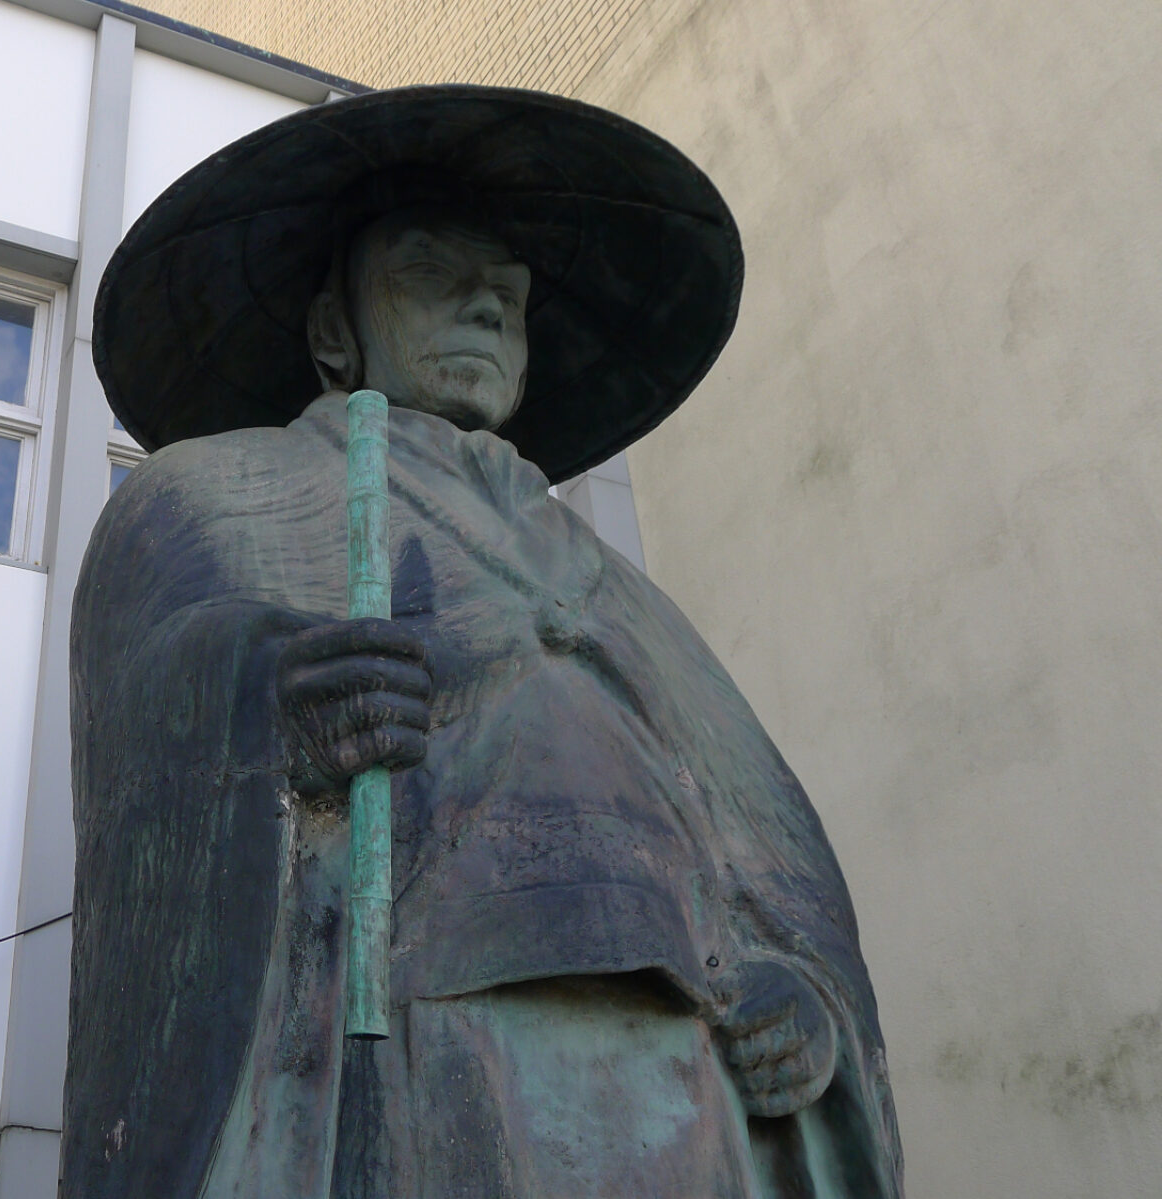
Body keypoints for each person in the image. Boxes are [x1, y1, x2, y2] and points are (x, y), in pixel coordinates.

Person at [64, 87, 902, 1197]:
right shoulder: (219, 495)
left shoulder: (626, 594)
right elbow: (146, 713)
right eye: (428, 275)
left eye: (504, 296)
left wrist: (801, 996)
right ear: (330, 329)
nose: (483, 310)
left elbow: (766, 860)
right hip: (425, 1035)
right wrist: (266, 705)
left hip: (684, 1064)